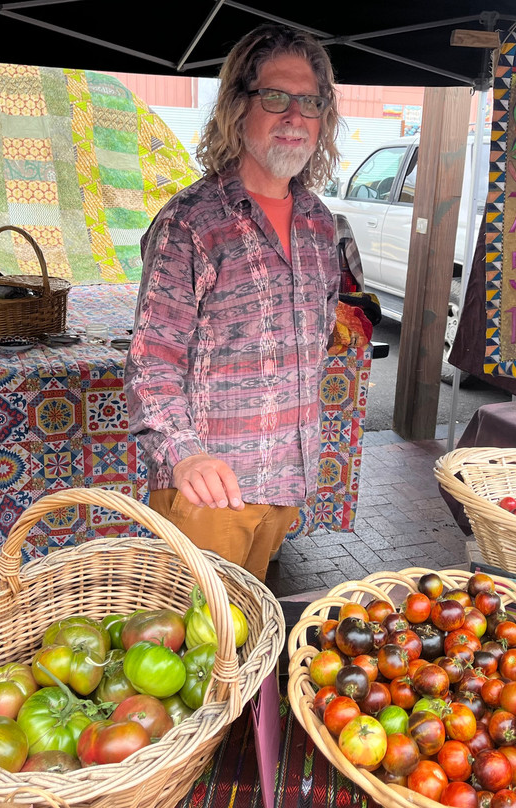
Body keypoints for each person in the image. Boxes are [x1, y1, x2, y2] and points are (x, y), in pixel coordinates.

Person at [123, 24, 342, 581]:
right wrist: (184, 454)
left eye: (310, 102)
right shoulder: (191, 223)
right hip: (209, 493)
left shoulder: (320, 223)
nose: (295, 116)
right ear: (238, 108)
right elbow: (151, 361)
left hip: (288, 479)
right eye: (275, 97)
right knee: (197, 651)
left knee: (252, 636)